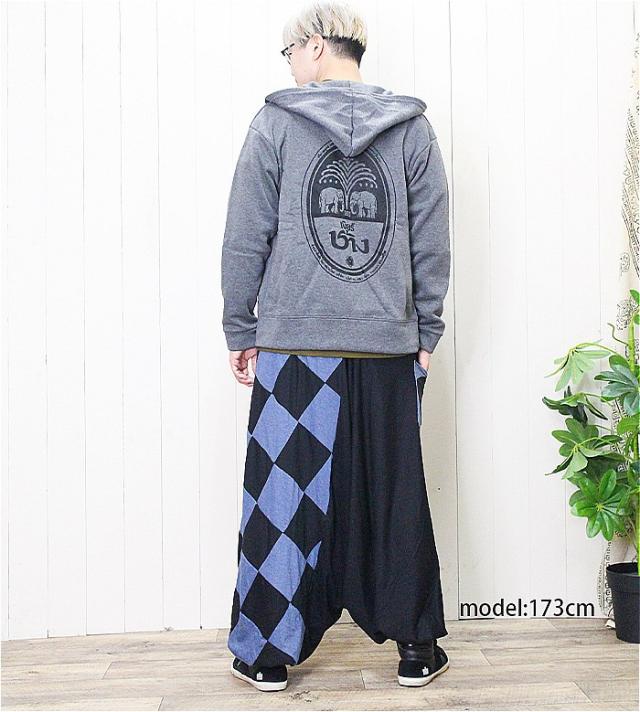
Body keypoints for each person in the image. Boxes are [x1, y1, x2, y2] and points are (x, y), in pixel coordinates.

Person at [220, 0, 451, 693]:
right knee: (393, 498)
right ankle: (416, 649)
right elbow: (431, 239)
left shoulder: (275, 124)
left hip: (296, 345)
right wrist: (426, 330)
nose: (289, 64)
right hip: (386, 346)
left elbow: (246, 233)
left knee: (281, 503)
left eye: (290, 51)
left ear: (316, 45)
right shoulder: (411, 130)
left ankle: (267, 654)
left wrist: (241, 326)